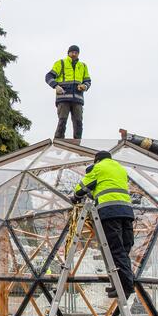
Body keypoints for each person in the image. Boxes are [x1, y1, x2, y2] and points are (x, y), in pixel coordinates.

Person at [72, 151, 135, 298]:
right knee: (124, 249)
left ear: (96, 160)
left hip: (110, 211)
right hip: (126, 212)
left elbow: (81, 188)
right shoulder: (120, 168)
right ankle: (120, 284)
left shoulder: (98, 168)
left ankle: (125, 287)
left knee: (115, 249)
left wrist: (75, 197)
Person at [45, 45, 91, 139]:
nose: (74, 54)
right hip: (63, 98)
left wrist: (84, 86)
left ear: (78, 54)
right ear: (68, 53)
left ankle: (78, 144)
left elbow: (88, 81)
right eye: (72, 52)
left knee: (78, 123)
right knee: (62, 121)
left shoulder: (83, 66)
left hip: (77, 99)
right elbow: (48, 76)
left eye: (76, 52)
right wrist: (56, 86)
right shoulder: (61, 63)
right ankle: (58, 142)